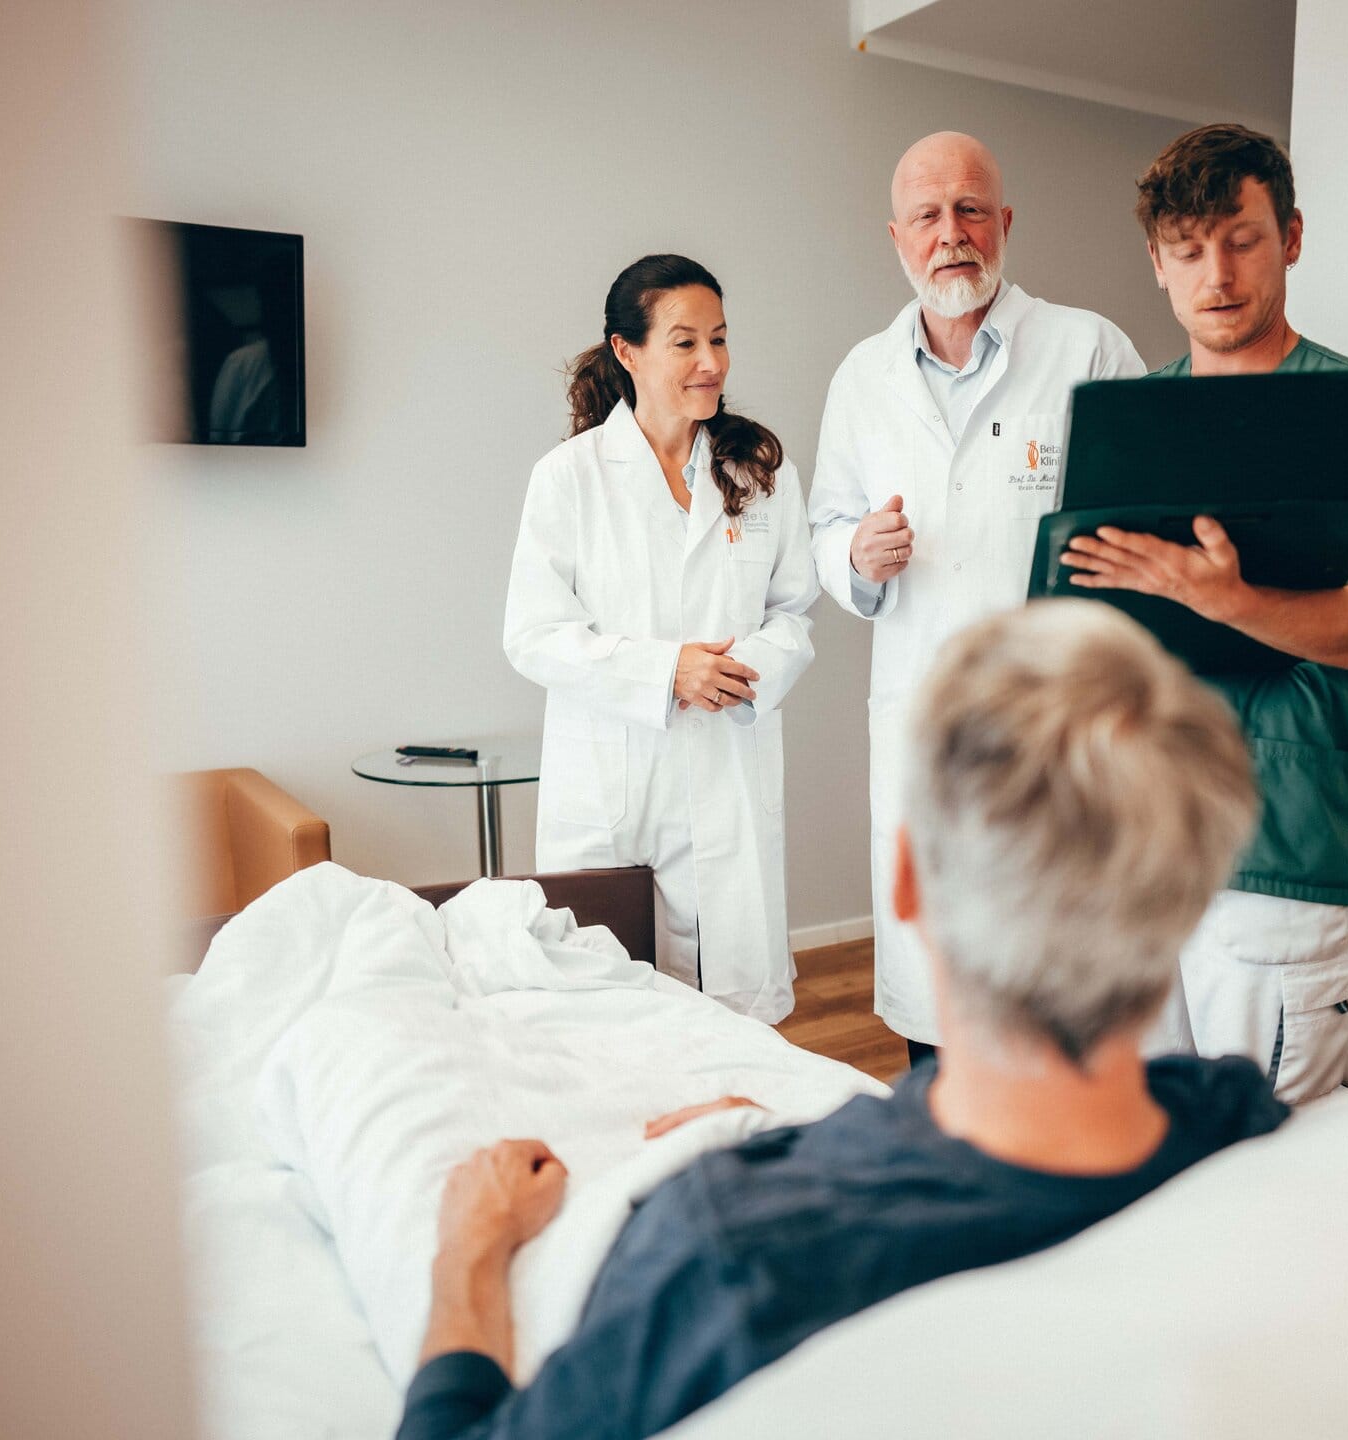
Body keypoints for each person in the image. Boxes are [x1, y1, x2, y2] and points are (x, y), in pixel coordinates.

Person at [397, 600, 1284, 1440]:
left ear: (907, 883)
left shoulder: (734, 1250)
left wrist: (472, 1245)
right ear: (1191, 893)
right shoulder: (1242, 1128)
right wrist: (807, 1136)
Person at [1062, 124, 1348, 1102]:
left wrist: (1226, 599)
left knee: (1264, 1165)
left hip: (1278, 859)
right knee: (1138, 1150)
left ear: (1289, 236)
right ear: (1158, 264)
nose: (1219, 274)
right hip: (1137, 857)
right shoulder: (1129, 424)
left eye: (1241, 239)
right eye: (1190, 250)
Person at [809, 131, 1146, 1065]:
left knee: (1058, 997)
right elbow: (823, 532)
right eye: (927, 216)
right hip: (924, 721)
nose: (950, 233)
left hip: (1055, 727)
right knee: (940, 1001)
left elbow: (1144, 518)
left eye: (970, 211)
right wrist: (856, 557)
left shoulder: (1087, 348)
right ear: (897, 237)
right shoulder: (861, 378)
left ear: (1004, 223)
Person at [503, 254, 817, 1022]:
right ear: (627, 350)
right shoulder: (570, 478)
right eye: (684, 342)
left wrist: (743, 669)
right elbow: (533, 634)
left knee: (738, 1030)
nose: (711, 363)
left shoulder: (760, 472)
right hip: (618, 792)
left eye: (719, 338)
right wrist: (664, 670)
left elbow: (795, 612)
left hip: (728, 770)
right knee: (619, 1025)